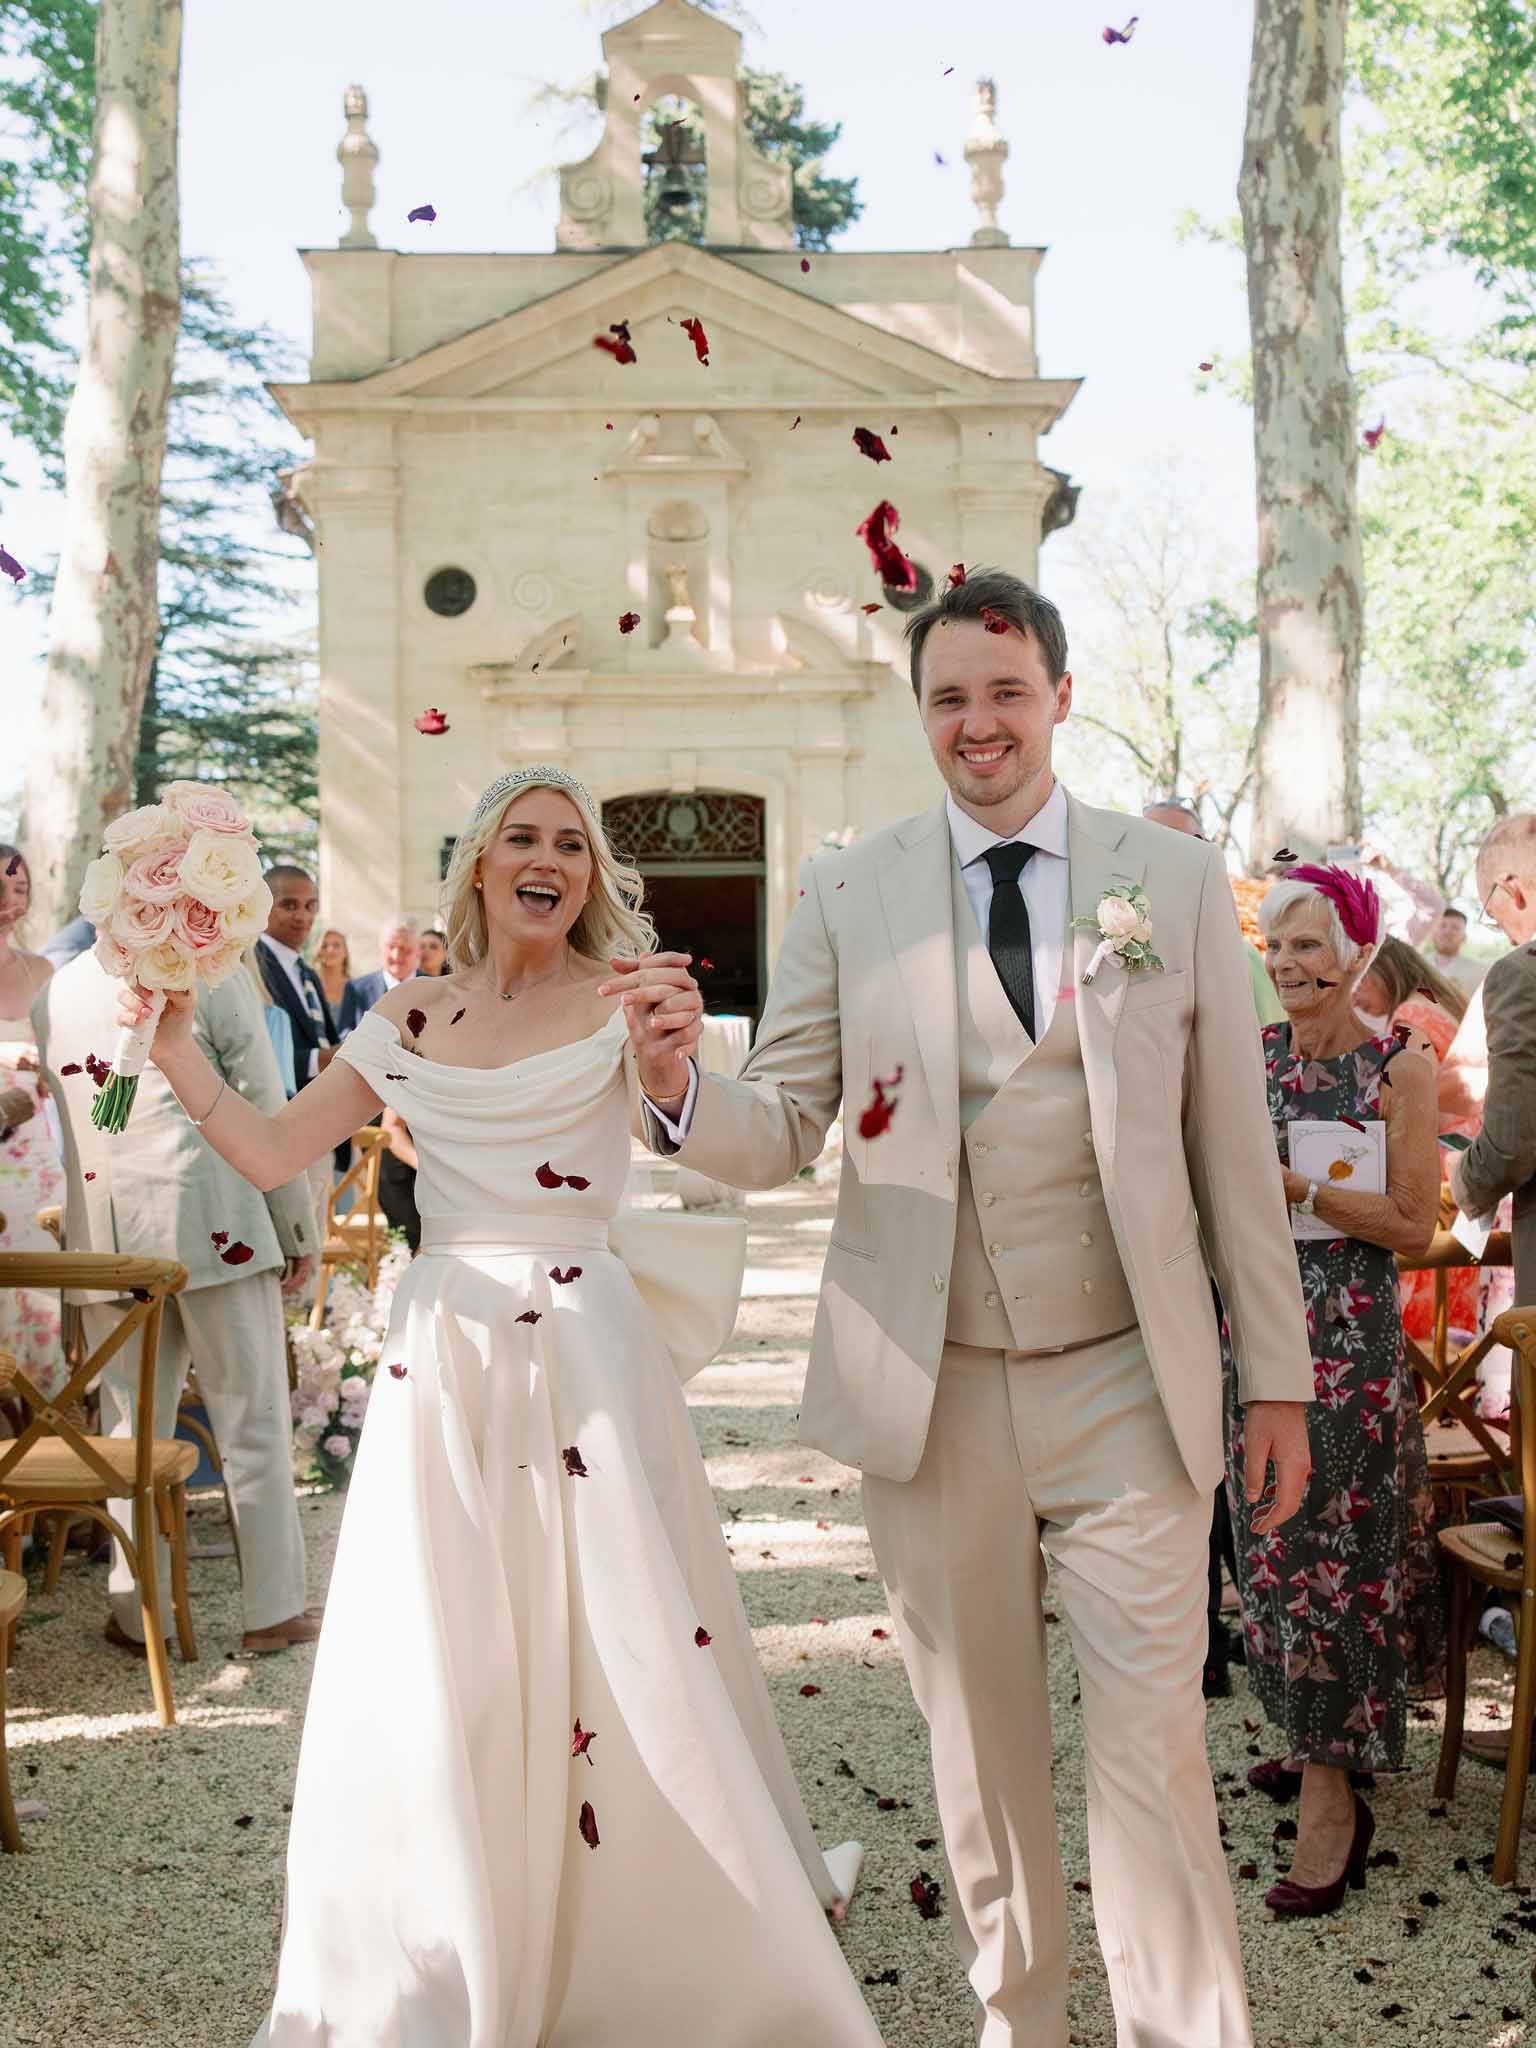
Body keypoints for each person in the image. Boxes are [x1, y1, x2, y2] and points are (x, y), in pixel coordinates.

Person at [626, 568, 1315, 2048]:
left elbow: (1233, 1159)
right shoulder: (849, 889)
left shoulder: (1169, 883)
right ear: (920, 712)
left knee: (1156, 1750)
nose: (979, 722)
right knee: (983, 1762)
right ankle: (1023, 2025)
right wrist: (680, 1090)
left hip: (1130, 1379)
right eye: (950, 697)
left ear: (1060, 696)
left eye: (1006, 692)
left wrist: (1279, 1384)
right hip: (930, 1392)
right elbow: (787, 1121)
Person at [117, 768, 881, 2048]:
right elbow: (266, 1152)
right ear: (478, 863)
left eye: (571, 846)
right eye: (522, 838)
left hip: (584, 1345)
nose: (549, 860)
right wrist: (178, 1046)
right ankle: (453, 1927)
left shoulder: (627, 1001)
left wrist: (668, 1061)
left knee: (622, 1630)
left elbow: (696, 1130)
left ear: (590, 876)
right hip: (442, 1356)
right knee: (446, 1637)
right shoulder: (407, 1015)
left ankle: (657, 1934)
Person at [1231, 866, 1445, 1912]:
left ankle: (1331, 1795)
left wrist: (1306, 1186)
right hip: (1253, 1340)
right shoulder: (1246, 1058)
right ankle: (1316, 1733)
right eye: (1274, 943)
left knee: (1337, 1558)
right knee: (1271, 1550)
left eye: (1309, 944)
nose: (1287, 964)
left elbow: (1417, 1224)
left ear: (1357, 952)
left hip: (1350, 1351)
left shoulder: (1395, 1070)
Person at [36, 945, 322, 1655]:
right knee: (251, 1422)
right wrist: (295, 1223)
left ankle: (140, 1618)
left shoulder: (58, 989)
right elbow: (262, 1094)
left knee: (128, 1436)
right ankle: (272, 1612)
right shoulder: (211, 968)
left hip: (107, 1243)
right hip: (214, 1214)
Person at [1354, 938, 1477, 1344]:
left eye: (1358, 980)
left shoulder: (1408, 1016)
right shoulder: (1438, 1004)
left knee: (1425, 1315)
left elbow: (1415, 1109)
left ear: (1383, 969)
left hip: (1440, 1169)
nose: (1354, 996)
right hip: (1465, 1164)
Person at [1449, 814, 1536, 1347]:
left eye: (1491, 914)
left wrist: (1462, 1177)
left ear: (1513, 890)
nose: (1502, 932)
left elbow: (1510, 1145)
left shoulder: (1521, 973)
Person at [0, 844, 64, 1397]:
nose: (7, 900)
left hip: (35, 1152)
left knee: (38, 1288)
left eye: (18, 889)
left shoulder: (42, 969)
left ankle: (44, 1420)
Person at [255, 864, 344, 1221]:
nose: (302, 916)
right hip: (282, 1129)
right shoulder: (253, 964)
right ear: (263, 906)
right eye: (289, 905)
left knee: (315, 1248)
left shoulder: (305, 971)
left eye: (310, 906)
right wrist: (318, 1060)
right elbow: (258, 1054)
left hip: (320, 1128)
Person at [338, 916, 422, 1035]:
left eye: (404, 948)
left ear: (418, 950)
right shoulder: (356, 989)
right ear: (380, 947)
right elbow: (344, 1038)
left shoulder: (436, 988)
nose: (396, 955)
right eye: (391, 946)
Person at [1425, 905, 1487, 998]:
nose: (1448, 931)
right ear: (1432, 933)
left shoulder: (1479, 973)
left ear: (1464, 938)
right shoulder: (1415, 966)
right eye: (1442, 926)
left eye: (1455, 928)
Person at [312, 927, 352, 1020]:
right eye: (324, 946)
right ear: (319, 952)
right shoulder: (311, 985)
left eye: (336, 945)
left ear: (345, 952)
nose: (330, 950)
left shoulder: (355, 988)